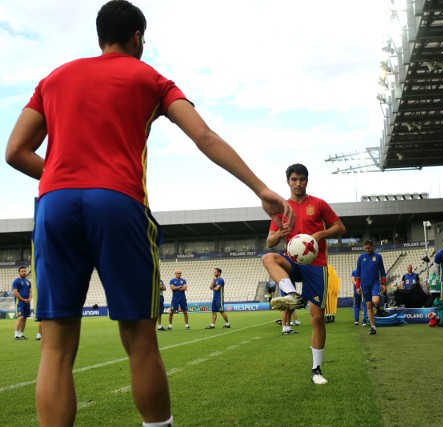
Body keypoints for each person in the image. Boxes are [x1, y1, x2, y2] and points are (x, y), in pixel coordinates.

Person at [4, 2, 293, 424]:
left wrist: (67, 175)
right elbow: (204, 135)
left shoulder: (55, 77)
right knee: (140, 339)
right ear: (137, 37)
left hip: (55, 203)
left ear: (99, 36)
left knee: (55, 346)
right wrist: (260, 188)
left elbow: (14, 152)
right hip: (118, 202)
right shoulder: (150, 77)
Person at [262, 163, 345, 385]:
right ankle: (291, 294)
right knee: (267, 258)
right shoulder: (282, 208)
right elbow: (269, 242)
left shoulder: (318, 204)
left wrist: (321, 233)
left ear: (307, 180)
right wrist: (280, 232)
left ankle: (316, 369)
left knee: (317, 318)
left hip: (316, 265)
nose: (298, 184)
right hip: (293, 262)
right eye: (294, 179)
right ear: (288, 181)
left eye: (302, 179)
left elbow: (340, 227)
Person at [355, 240, 387, 335]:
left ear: (372, 247)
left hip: (375, 284)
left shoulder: (378, 257)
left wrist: (383, 284)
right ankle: (373, 327)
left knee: (376, 300)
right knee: (369, 306)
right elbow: (358, 273)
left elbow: (382, 271)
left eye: (368, 248)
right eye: (365, 248)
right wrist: (357, 287)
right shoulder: (361, 258)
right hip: (364, 285)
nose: (367, 250)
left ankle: (379, 305)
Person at [12, 266, 32, 340]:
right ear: (19, 272)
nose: (24, 273)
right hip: (20, 302)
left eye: (24, 271)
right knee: (20, 317)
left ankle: (21, 335)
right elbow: (15, 292)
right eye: (22, 271)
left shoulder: (28, 282)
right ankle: (16, 335)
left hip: (27, 302)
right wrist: (23, 299)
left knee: (25, 318)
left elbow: (30, 291)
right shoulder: (16, 281)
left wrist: (30, 298)